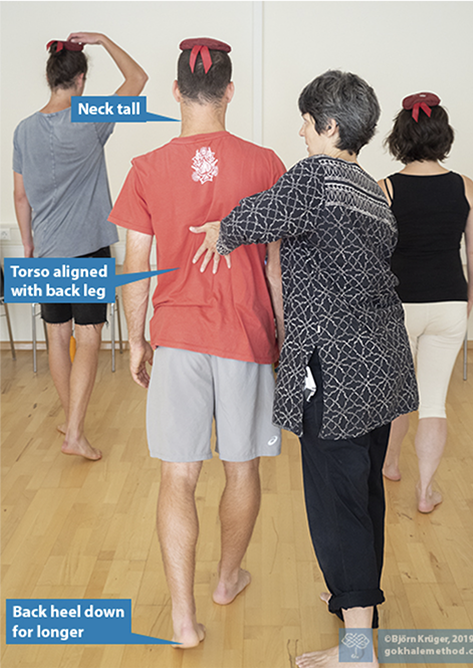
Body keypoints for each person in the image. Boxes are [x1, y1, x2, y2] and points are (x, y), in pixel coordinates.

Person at [194, 70, 418, 668]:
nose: (300, 131)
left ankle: (355, 648)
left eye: (307, 122)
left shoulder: (317, 176)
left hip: (338, 373)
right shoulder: (373, 188)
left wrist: (220, 229)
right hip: (382, 363)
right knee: (364, 493)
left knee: (336, 500)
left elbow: (257, 216)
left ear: (331, 127)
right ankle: (356, 602)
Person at [108, 38, 285, 648]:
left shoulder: (147, 167)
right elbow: (275, 268)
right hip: (245, 334)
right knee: (242, 467)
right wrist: (282, 338)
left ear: (177, 92)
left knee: (177, 476)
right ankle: (227, 579)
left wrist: (135, 341)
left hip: (177, 335)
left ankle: (182, 623)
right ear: (229, 91)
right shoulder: (265, 163)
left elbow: (137, 261)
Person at [13, 32, 147, 461]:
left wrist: (30, 244)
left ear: (52, 78)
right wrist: (104, 40)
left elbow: (20, 197)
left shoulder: (24, 129)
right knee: (89, 338)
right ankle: (74, 433)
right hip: (87, 249)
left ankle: (71, 420)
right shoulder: (90, 119)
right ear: (81, 80)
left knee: (57, 337)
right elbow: (138, 78)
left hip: (46, 250)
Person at [378, 92, 473, 513]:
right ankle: (426, 491)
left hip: (398, 305)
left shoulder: (384, 188)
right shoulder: (465, 186)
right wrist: (468, 299)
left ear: (400, 137)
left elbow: (374, 255)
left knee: (397, 395)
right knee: (434, 401)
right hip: (448, 304)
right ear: (444, 136)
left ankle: (389, 464)